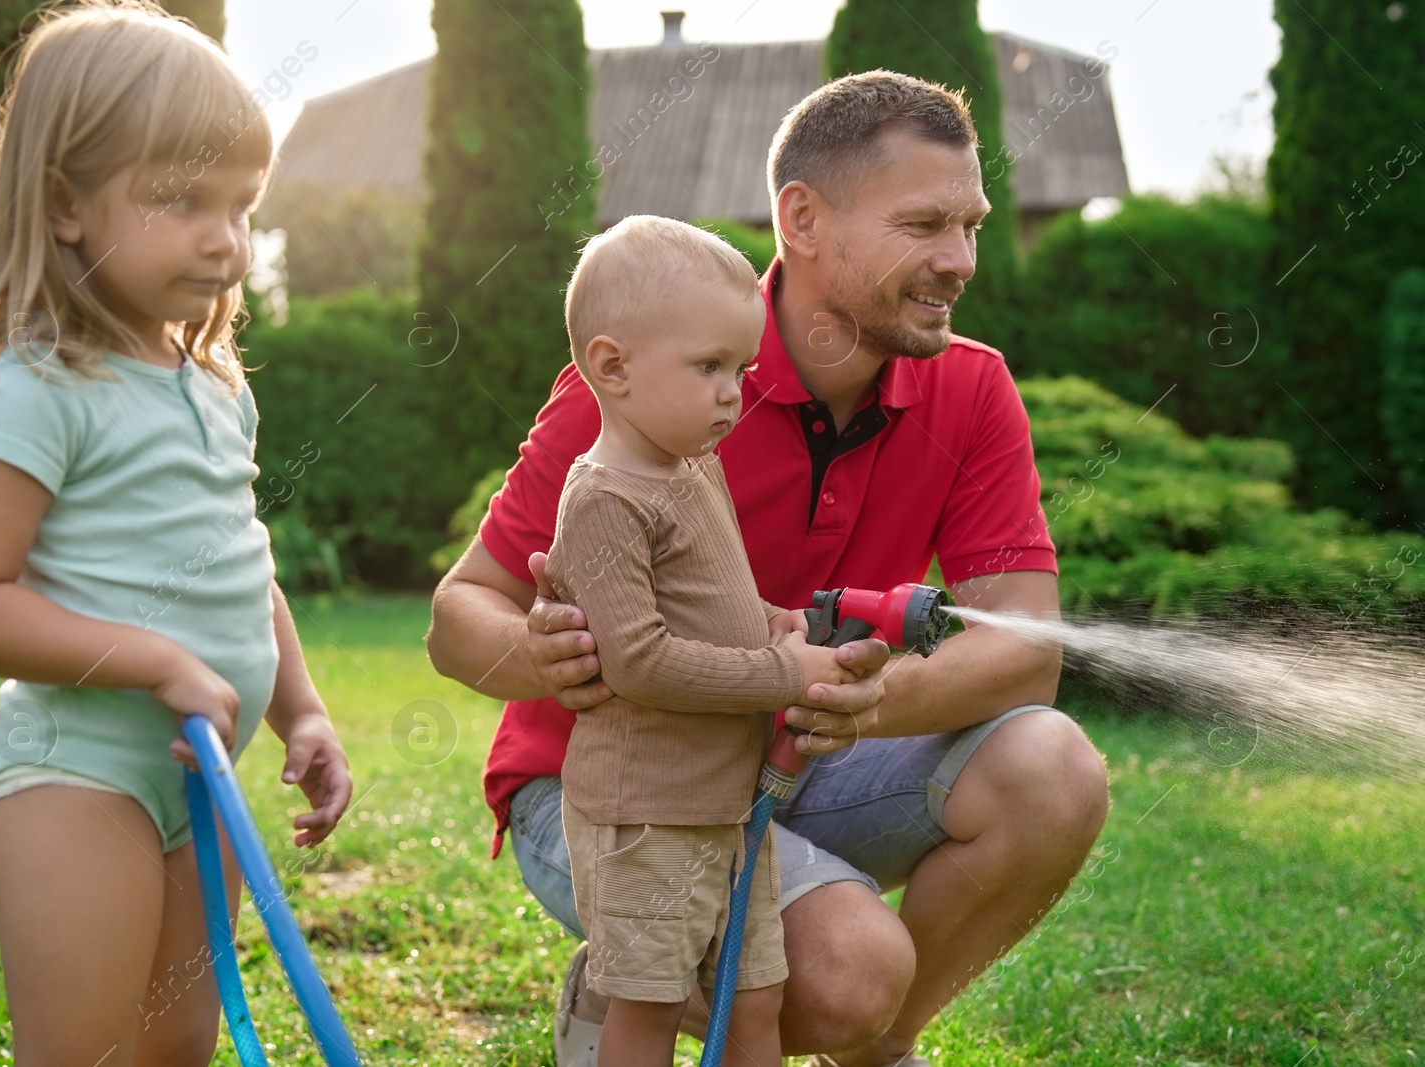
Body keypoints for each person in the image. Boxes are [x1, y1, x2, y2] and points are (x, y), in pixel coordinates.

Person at [427, 70, 1110, 1067]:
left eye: (970, 224)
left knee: (1051, 766)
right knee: (846, 968)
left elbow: (1023, 652)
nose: (959, 259)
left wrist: (851, 703)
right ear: (801, 218)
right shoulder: (640, 375)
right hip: (611, 789)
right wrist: (540, 655)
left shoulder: (973, 389)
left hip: (796, 757)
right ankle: (637, 981)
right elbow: (458, 613)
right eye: (923, 224)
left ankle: (866, 1040)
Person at [0, 5, 354, 1065]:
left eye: (241, 205)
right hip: (78, 777)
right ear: (64, 205)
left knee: (176, 1046)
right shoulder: (42, 388)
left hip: (200, 777)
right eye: (182, 201)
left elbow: (246, 569)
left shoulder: (213, 384)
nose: (225, 238)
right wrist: (156, 657)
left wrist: (303, 708)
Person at [546, 215, 863, 1067]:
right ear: (612, 367)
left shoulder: (693, 464)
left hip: (725, 808)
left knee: (756, 999)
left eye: (743, 369)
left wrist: (769, 621)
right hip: (647, 812)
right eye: (710, 367)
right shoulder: (609, 498)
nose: (735, 392)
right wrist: (781, 670)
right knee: (648, 1009)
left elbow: (709, 597)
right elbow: (640, 660)